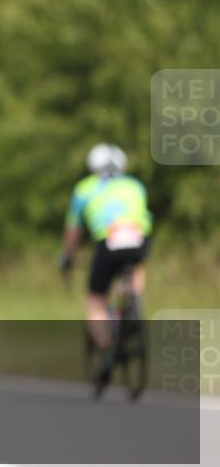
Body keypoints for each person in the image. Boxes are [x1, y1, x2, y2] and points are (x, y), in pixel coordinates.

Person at [60, 143, 152, 381]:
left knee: (95, 302)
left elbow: (73, 231)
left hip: (107, 241)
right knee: (136, 266)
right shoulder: (134, 185)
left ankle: (108, 350)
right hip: (138, 238)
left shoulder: (84, 189)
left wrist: (67, 257)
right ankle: (133, 301)